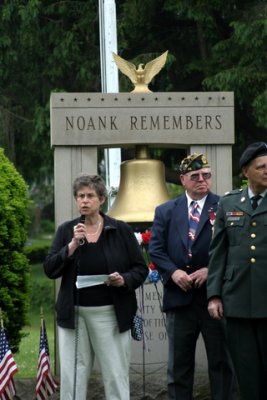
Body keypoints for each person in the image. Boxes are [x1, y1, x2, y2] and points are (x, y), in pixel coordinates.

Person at [44, 174, 148, 400]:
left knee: (115, 374)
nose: (84, 200)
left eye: (90, 195)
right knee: (73, 376)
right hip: (74, 314)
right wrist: (71, 246)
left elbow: (140, 269)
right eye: (80, 196)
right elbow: (50, 269)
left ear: (101, 199)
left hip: (110, 313)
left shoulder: (120, 230)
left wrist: (124, 280)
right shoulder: (66, 231)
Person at [149, 153, 236, 400]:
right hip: (179, 300)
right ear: (183, 179)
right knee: (178, 367)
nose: (202, 180)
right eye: (195, 176)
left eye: (206, 175)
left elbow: (234, 246)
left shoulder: (225, 206)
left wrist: (211, 271)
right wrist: (173, 272)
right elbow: (156, 248)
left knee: (221, 364)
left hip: (214, 299)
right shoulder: (166, 211)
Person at [207, 141, 267, 400]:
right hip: (237, 300)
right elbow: (218, 252)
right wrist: (214, 295)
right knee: (246, 371)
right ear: (246, 172)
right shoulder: (229, 203)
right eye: (261, 167)